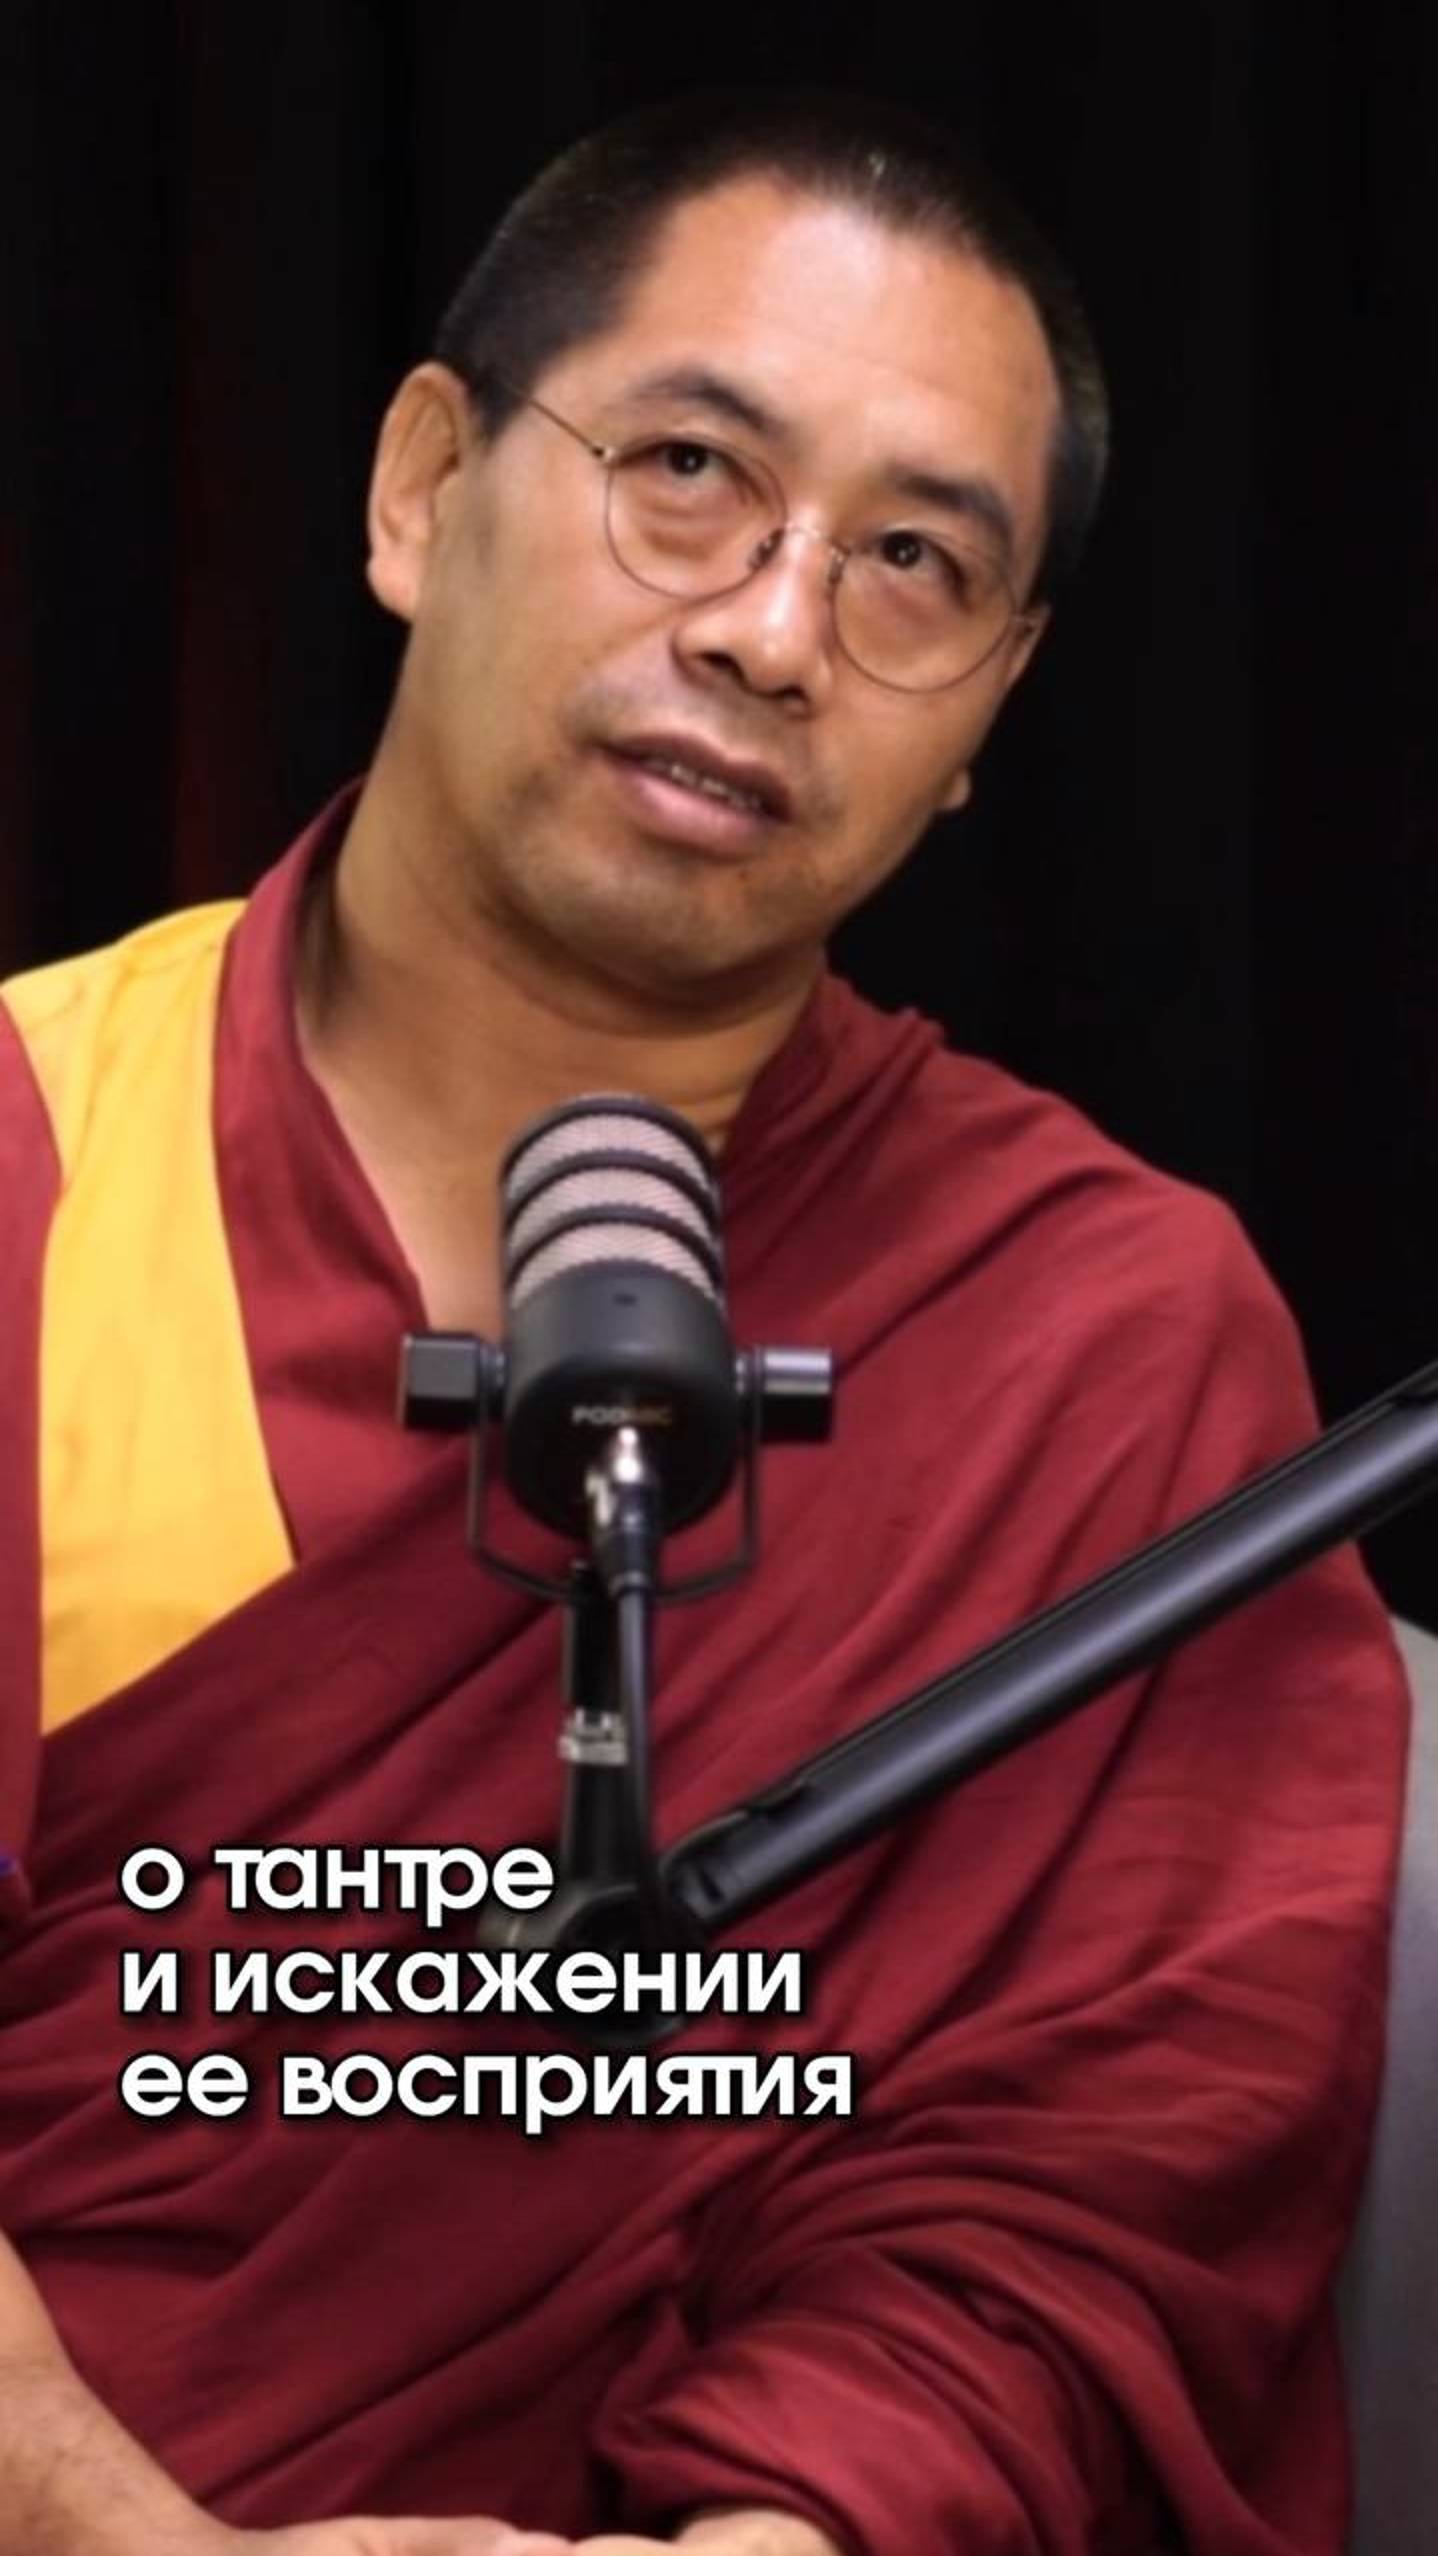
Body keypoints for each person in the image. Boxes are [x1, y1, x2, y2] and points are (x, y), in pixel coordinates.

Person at [0, 85, 1408, 2556]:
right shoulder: (30, 1156)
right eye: (683, 473)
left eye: (908, 564)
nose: (768, 634)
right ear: (422, 491)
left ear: (987, 710)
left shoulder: (1097, 1336)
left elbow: (1096, 2189)